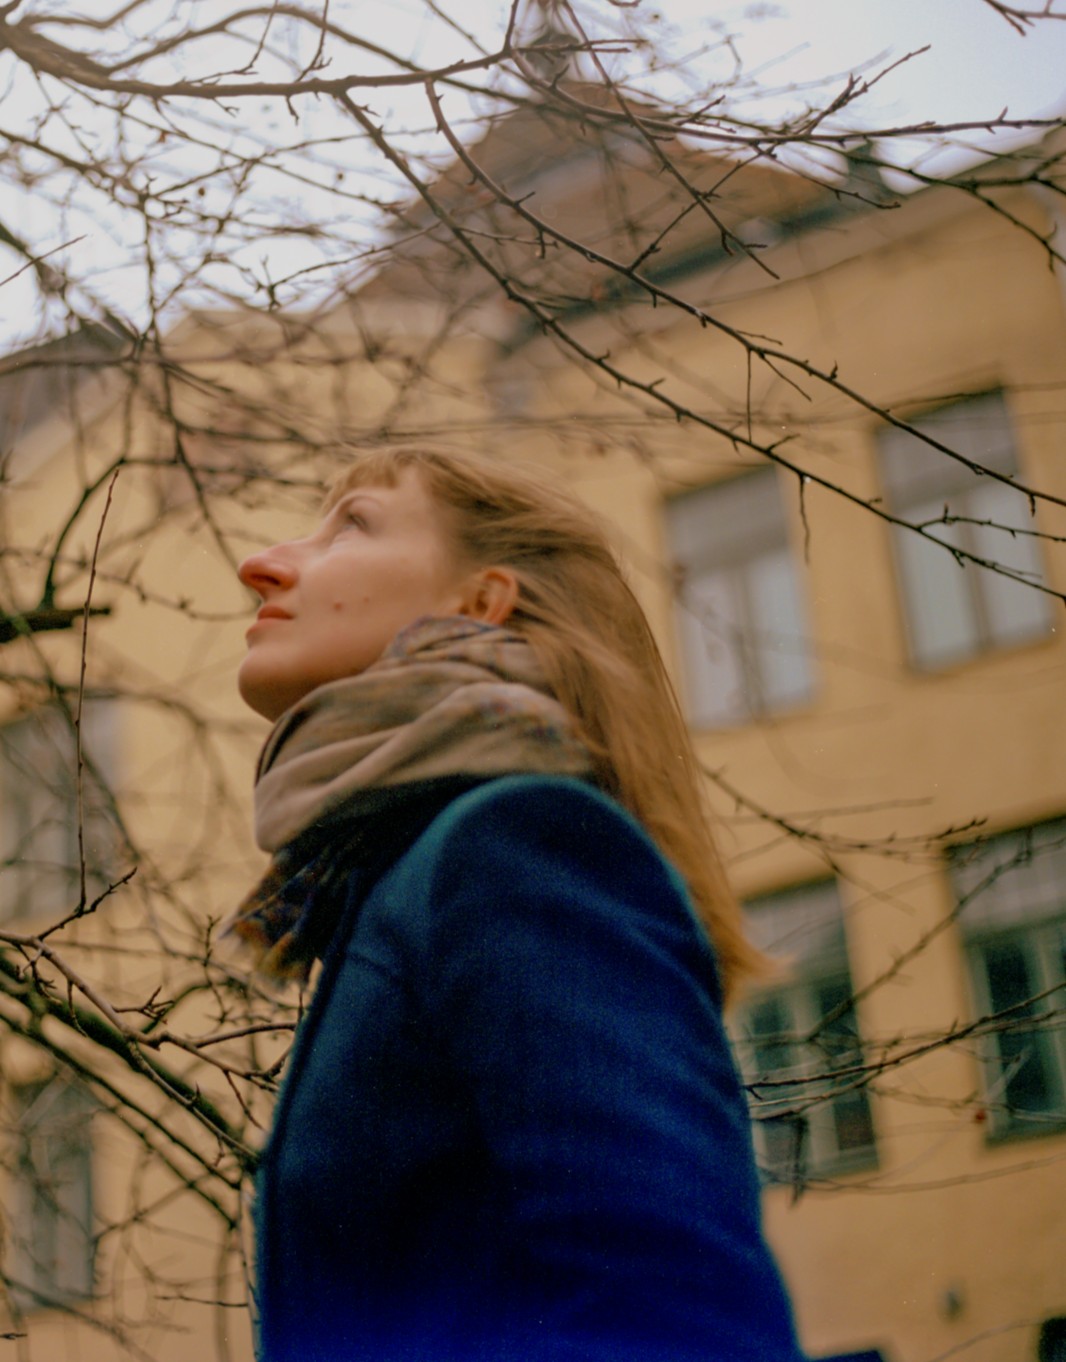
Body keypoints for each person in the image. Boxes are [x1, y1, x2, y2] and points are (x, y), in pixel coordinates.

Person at [230, 446, 806, 1362]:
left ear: (481, 602)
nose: (262, 564)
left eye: (354, 524)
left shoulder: (513, 847)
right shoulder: (393, 882)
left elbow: (680, 1316)